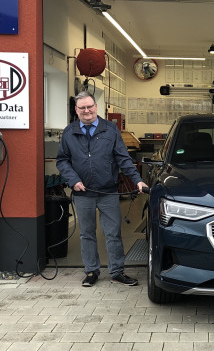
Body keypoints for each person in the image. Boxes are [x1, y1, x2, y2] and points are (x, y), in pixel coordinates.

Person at [56, 91, 148, 287]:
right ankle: (91, 272)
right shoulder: (69, 132)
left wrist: (137, 180)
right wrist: (73, 180)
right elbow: (63, 160)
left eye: (90, 106)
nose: (87, 111)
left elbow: (122, 158)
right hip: (83, 193)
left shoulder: (110, 129)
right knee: (87, 233)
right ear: (76, 110)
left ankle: (117, 272)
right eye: (82, 108)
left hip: (108, 192)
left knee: (113, 233)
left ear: (96, 107)